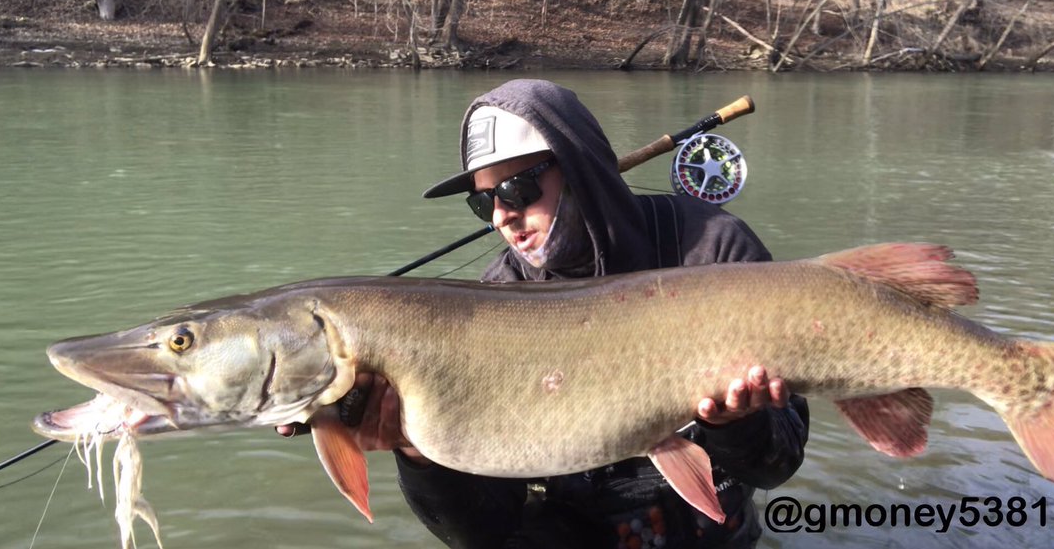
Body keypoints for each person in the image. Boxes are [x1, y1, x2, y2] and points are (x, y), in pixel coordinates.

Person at [285, 79, 810, 548]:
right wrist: (416, 453)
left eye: (516, 189)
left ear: (581, 169)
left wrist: (737, 423)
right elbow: (481, 533)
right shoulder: (492, 303)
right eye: (483, 200)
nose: (500, 217)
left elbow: (777, 465)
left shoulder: (711, 248)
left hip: (707, 530)